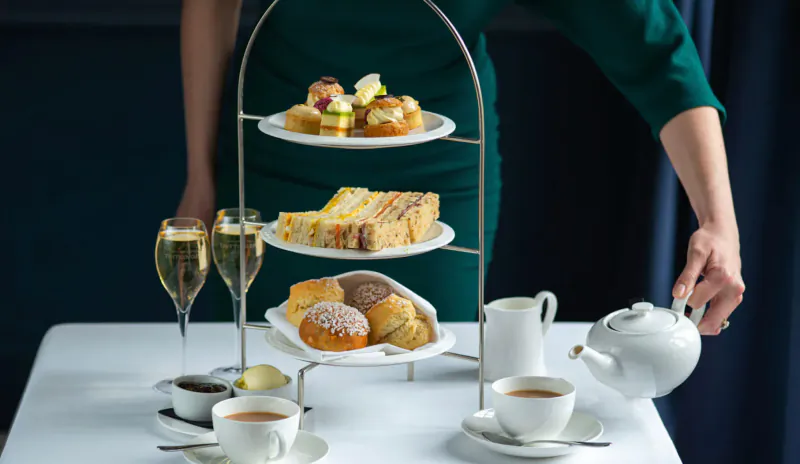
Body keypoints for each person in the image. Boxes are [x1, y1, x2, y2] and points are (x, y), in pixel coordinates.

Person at [177, 0, 744, 334]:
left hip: (437, 181)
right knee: (269, 374)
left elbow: (655, 50)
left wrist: (719, 220)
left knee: (417, 368)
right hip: (280, 155)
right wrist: (201, 181)